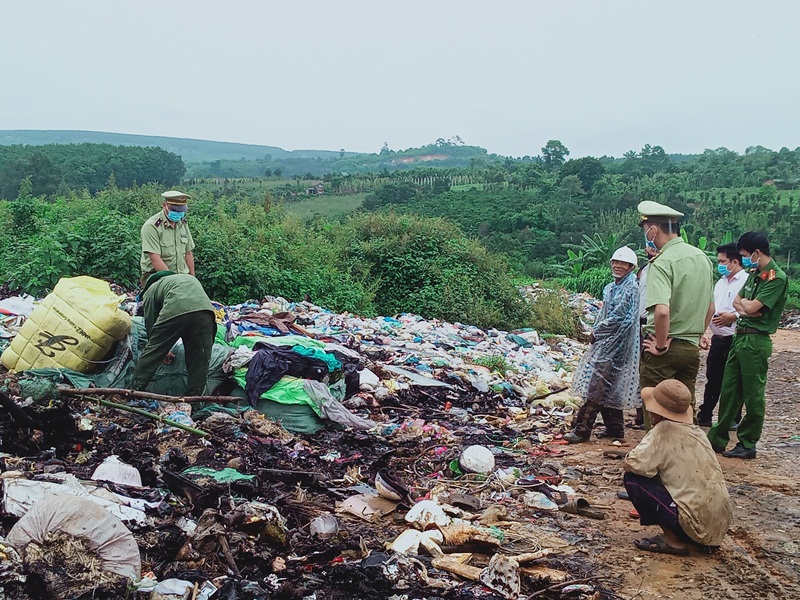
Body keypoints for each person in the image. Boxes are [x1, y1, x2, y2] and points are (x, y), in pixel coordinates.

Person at [623, 379, 732, 556]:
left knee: (634, 479)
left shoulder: (664, 429)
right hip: (717, 527)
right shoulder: (697, 431)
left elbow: (634, 463)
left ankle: (673, 541)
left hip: (693, 526)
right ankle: (687, 535)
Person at [707, 232, 789, 459]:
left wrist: (747, 308)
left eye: (745, 255)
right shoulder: (755, 274)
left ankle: (748, 441)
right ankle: (717, 438)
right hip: (740, 336)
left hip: (756, 339)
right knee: (729, 389)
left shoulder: (776, 278)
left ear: (757, 253)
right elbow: (740, 303)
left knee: (753, 394)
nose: (743, 260)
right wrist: (747, 308)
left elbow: (751, 308)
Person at [638, 201, 714, 428]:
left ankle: (658, 460)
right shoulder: (702, 258)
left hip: (664, 349)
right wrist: (697, 333)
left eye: (645, 229)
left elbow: (661, 311)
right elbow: (711, 307)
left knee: (656, 410)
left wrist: (660, 345)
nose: (646, 235)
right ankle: (688, 458)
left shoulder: (662, 262)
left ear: (653, 229)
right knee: (684, 408)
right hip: (690, 348)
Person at [565, 247, 640, 443]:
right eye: (615, 262)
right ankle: (615, 429)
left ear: (631, 267)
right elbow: (606, 314)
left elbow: (620, 318)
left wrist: (597, 332)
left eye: (622, 263)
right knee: (610, 385)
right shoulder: (613, 287)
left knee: (597, 387)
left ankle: (582, 430)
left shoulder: (630, 288)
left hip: (616, 346)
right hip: (608, 343)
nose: (617, 266)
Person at [130, 272, 216, 396]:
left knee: (152, 354)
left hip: (176, 309)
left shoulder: (151, 290)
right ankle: (194, 400)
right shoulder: (185, 279)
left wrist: (162, 349)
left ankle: (132, 391)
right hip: (205, 313)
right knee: (199, 361)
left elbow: (151, 325)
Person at [697, 243, 747, 427]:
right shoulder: (720, 282)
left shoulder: (746, 281)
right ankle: (706, 414)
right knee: (713, 378)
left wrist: (733, 316)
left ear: (734, 261)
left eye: (722, 261)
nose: (720, 265)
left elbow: (754, 308)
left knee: (732, 380)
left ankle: (733, 417)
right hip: (718, 338)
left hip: (734, 337)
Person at [140, 190, 196, 285]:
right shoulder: (152, 226)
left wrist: (193, 279)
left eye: (181, 210)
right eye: (174, 210)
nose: (178, 213)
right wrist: (173, 282)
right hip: (157, 276)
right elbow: (155, 258)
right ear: (164, 205)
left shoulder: (182, 224)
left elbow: (188, 253)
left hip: (182, 276)